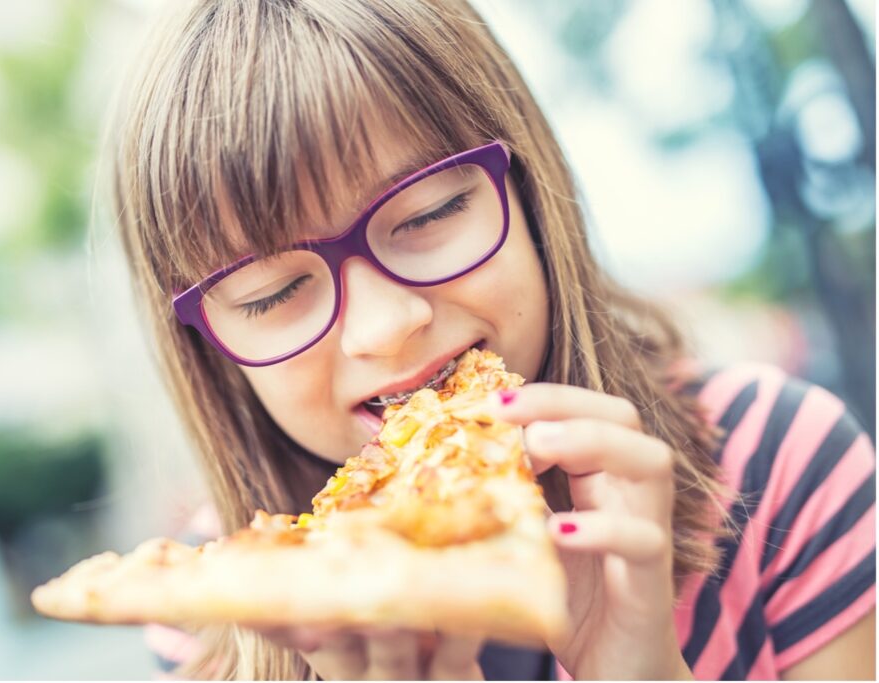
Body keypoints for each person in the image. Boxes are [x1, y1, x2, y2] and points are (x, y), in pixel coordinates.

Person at [105, 0, 876, 678]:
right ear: (210, 349)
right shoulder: (222, 610)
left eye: (430, 215)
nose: (386, 325)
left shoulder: (780, 463)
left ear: (529, 188)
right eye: (273, 292)